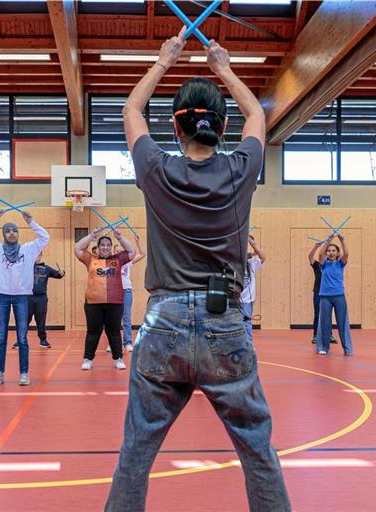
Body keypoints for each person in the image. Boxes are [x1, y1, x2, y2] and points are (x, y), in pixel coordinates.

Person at [105, 29, 290, 512]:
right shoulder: (240, 168)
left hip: (162, 321)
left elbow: (130, 111)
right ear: (222, 129)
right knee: (257, 448)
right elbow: (258, 114)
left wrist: (164, 60)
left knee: (136, 449)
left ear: (175, 127)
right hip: (224, 319)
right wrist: (223, 67)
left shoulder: (155, 169)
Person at [0, 209, 49, 386]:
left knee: (22, 337)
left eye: (15, 230)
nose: (11, 233)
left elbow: (45, 237)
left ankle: (24, 373)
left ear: (18, 233)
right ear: (3, 233)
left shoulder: (28, 249)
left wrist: (31, 222)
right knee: (1, 337)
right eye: (8, 230)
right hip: (2, 297)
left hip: (21, 297)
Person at [75, 228, 135, 370]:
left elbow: (132, 251)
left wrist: (120, 237)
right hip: (93, 303)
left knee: (114, 331)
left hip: (115, 303)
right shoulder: (90, 259)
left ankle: (118, 358)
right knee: (93, 332)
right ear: (98, 247)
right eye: (102, 245)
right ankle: (88, 359)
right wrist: (92, 236)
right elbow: (77, 248)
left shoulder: (118, 259)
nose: (105, 247)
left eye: (108, 245)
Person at [315, 234, 354, 356]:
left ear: (337, 253)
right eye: (329, 251)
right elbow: (320, 255)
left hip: (339, 296)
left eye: (333, 251)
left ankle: (347, 349)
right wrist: (328, 241)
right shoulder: (323, 264)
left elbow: (346, 254)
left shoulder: (340, 264)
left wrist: (342, 240)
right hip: (325, 296)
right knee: (325, 323)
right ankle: (323, 347)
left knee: (342, 322)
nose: (331, 253)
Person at [106, 236, 146, 353]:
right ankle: (112, 343)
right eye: (116, 251)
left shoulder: (129, 261)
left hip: (126, 291)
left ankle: (127, 342)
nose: (118, 253)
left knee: (127, 318)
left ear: (123, 252)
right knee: (113, 319)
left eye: (120, 251)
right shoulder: (110, 262)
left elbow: (143, 254)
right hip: (114, 292)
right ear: (113, 252)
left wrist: (138, 243)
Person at [29, 252, 65, 349]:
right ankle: (20, 341)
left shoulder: (46, 269)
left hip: (41, 298)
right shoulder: (25, 267)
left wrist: (62, 273)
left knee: (41, 321)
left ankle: (43, 340)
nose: (35, 256)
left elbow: (58, 275)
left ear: (40, 256)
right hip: (27, 298)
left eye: (37, 254)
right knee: (24, 320)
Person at [308, 241, 338, 346]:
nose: (329, 253)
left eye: (331, 251)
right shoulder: (317, 266)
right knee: (317, 314)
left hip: (329, 294)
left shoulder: (334, 265)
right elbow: (310, 257)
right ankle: (316, 336)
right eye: (327, 252)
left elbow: (342, 256)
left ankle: (329, 335)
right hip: (318, 293)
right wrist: (315, 247)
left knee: (328, 315)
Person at [239, 235, 266, 343]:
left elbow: (263, 256)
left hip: (247, 300)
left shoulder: (252, 263)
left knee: (246, 322)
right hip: (235, 298)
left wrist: (251, 242)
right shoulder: (236, 261)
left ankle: (248, 344)